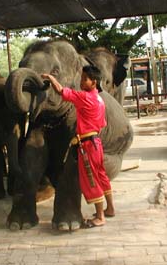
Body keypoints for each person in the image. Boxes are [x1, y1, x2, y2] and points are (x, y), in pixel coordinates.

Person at [41, 65, 115, 228]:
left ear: (94, 82)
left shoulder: (85, 98)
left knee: (91, 179)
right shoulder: (100, 100)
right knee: (101, 175)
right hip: (97, 143)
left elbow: (62, 91)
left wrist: (51, 78)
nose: (81, 82)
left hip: (88, 145)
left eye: (84, 79)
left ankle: (100, 216)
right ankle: (110, 208)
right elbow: (102, 124)